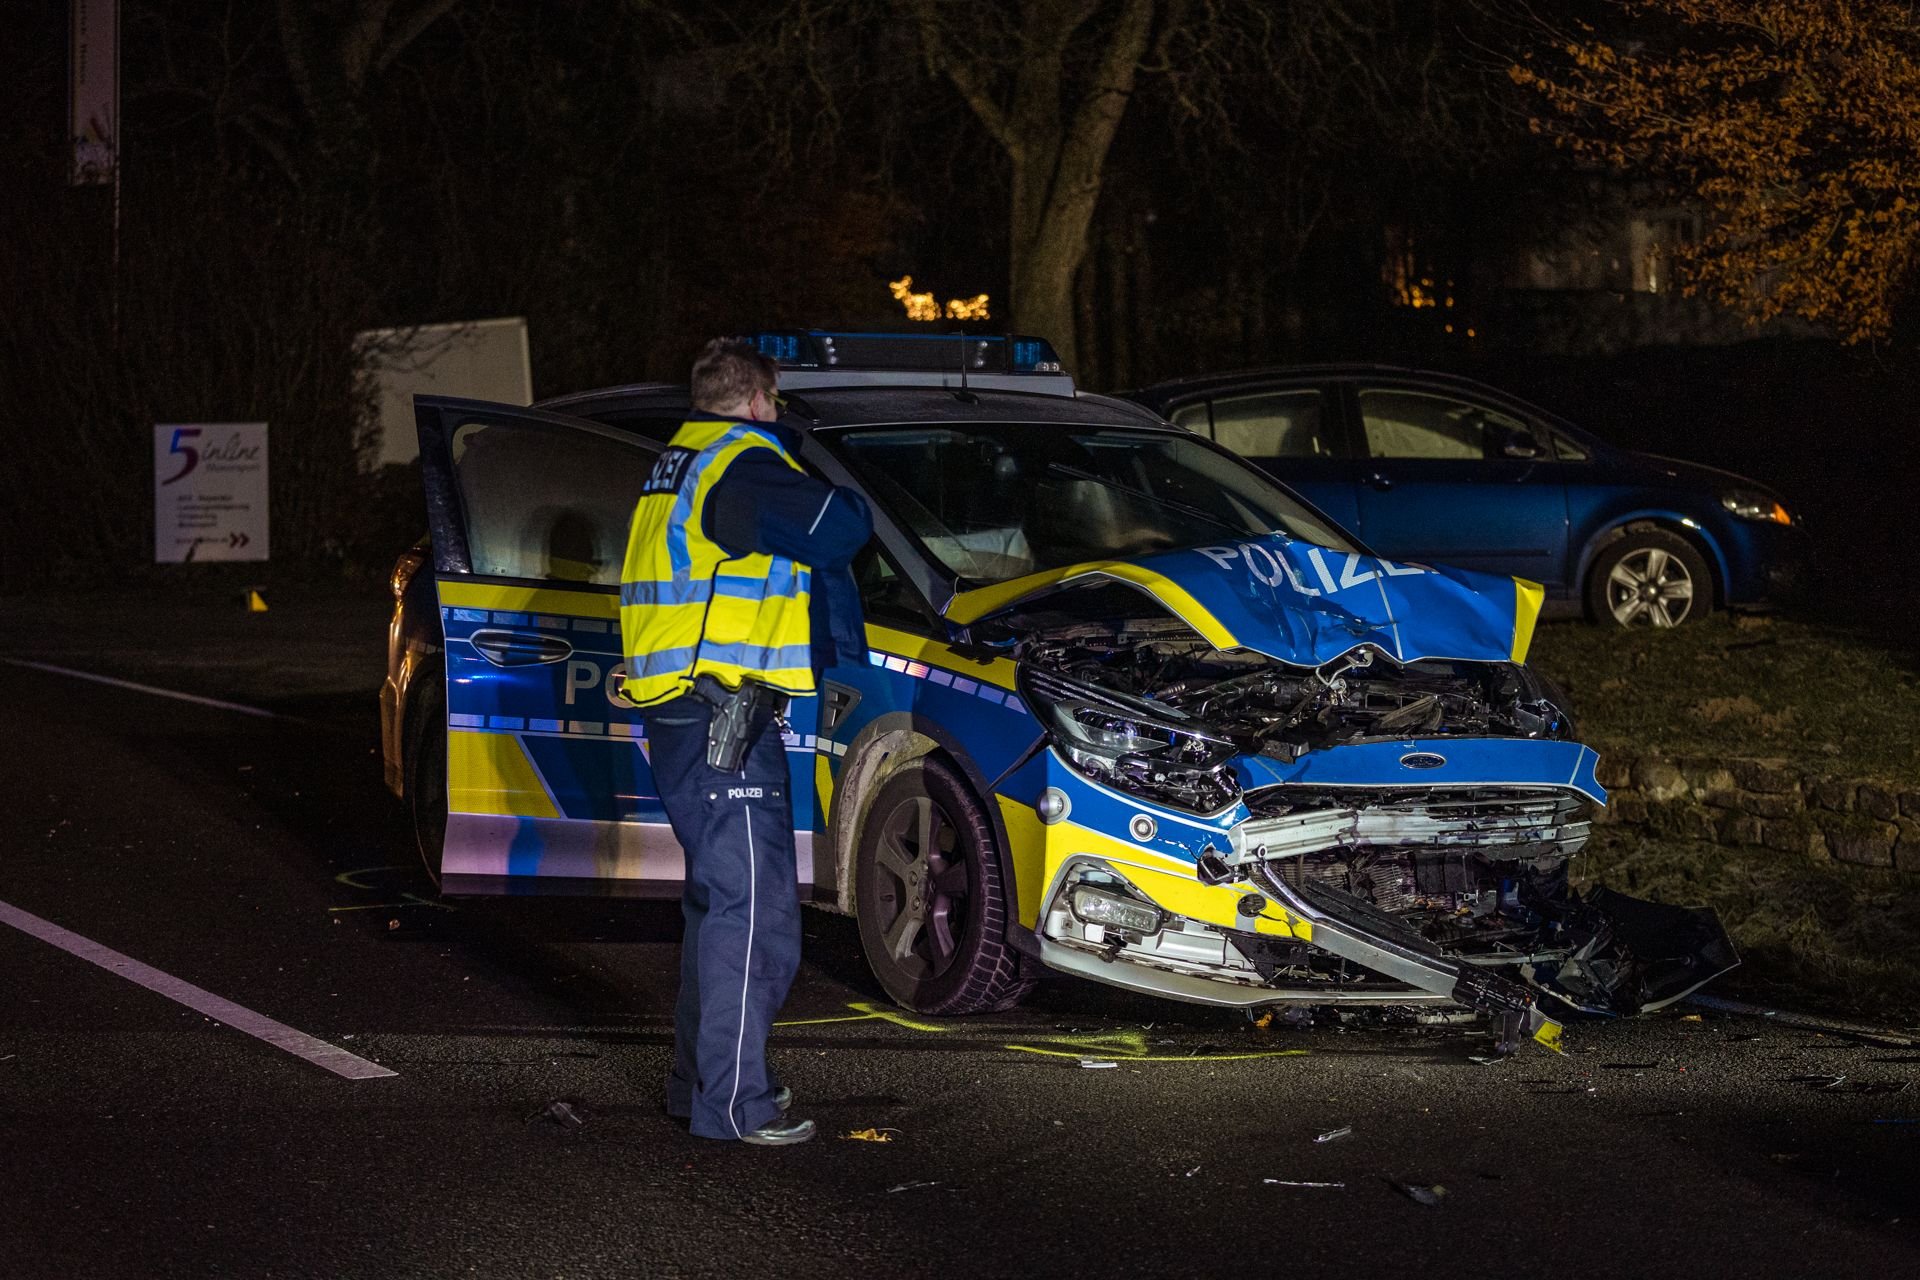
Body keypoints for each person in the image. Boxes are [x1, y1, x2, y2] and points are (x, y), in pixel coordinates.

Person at [618, 338, 871, 1146]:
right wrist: (798, 450)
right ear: (762, 400)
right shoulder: (743, 465)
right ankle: (736, 1106)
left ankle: (698, 1086)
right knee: (755, 913)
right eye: (777, 406)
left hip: (684, 710)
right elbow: (841, 527)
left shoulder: (677, 464)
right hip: (724, 712)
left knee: (716, 907)